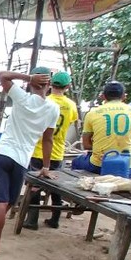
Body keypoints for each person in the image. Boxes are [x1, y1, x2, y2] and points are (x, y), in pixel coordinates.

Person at [0, 68, 58, 255]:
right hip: (22, 159)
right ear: (49, 85)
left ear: (30, 84)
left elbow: (2, 75)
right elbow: (48, 139)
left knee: (1, 203)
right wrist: (46, 167)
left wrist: (28, 77)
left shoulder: (22, 98)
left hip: (3, 154)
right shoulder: (52, 109)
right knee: (8, 202)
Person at [24, 71, 78, 230]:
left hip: (38, 150)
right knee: (56, 187)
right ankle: (55, 218)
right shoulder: (71, 105)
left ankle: (31, 220)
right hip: (57, 151)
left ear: (50, 84)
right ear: (67, 86)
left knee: (33, 185)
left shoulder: (45, 101)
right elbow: (70, 122)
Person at [74, 81, 131, 178]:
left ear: (103, 96)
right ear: (123, 96)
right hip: (126, 167)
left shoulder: (93, 113)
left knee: (77, 161)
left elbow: (86, 145)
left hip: (99, 166)